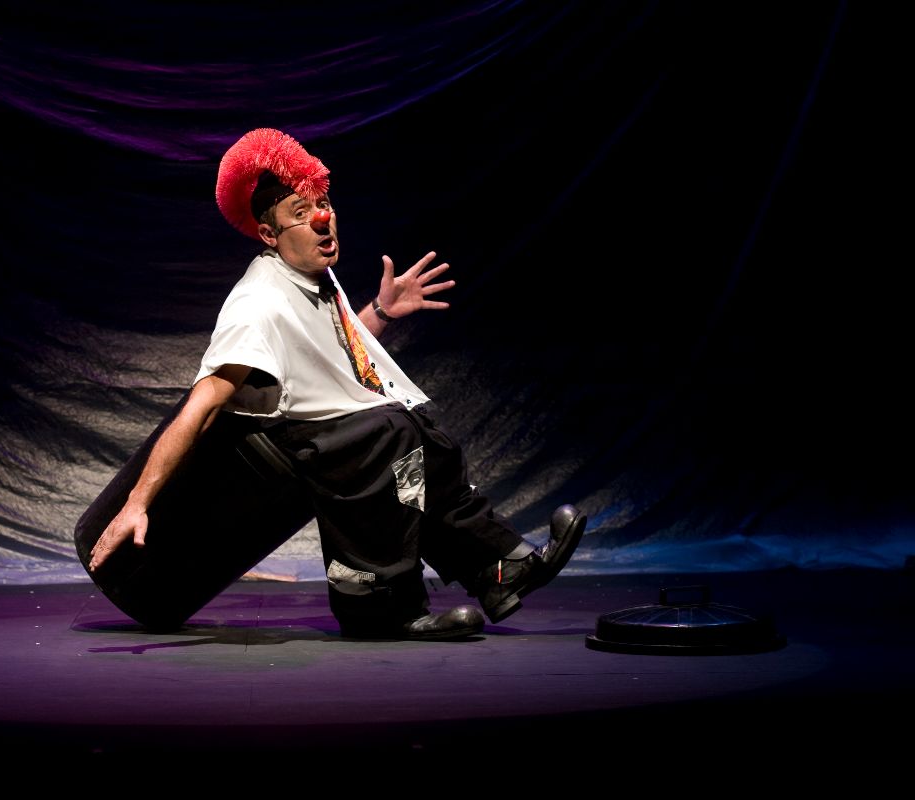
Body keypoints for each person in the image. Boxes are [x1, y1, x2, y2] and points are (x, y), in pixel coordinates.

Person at [88, 128, 586, 640]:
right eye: (300, 213)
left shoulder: (313, 275)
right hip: (290, 442)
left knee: (422, 434)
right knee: (389, 432)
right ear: (269, 234)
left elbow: (328, 356)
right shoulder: (257, 304)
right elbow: (203, 404)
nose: (322, 220)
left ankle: (499, 569)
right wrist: (137, 504)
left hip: (323, 430)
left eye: (323, 205)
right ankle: (378, 608)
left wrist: (381, 312)